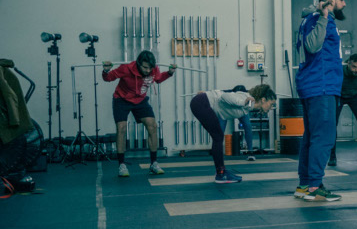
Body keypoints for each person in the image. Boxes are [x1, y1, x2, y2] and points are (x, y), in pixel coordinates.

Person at [293, 0, 347, 202]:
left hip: (313, 85)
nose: (345, 4)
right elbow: (313, 46)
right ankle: (315, 187)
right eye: (342, 0)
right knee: (324, 138)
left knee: (312, 138)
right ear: (331, 0)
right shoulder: (319, 20)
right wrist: (324, 17)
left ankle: (305, 184)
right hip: (321, 86)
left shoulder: (309, 19)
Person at [102, 50, 174, 178]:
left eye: (150, 68)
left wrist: (169, 73)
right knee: (121, 128)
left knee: (152, 126)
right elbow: (108, 78)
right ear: (138, 64)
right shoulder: (126, 68)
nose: (148, 70)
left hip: (140, 100)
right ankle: (122, 165)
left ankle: (153, 164)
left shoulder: (153, 69)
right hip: (121, 99)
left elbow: (158, 79)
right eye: (145, 67)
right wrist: (106, 70)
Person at [189, 84, 276, 183]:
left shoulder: (250, 105)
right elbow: (225, 96)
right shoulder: (245, 98)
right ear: (263, 100)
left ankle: (221, 172)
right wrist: (243, 101)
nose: (271, 107)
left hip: (202, 103)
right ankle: (221, 174)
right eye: (271, 103)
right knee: (218, 137)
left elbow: (227, 93)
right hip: (202, 103)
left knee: (218, 136)